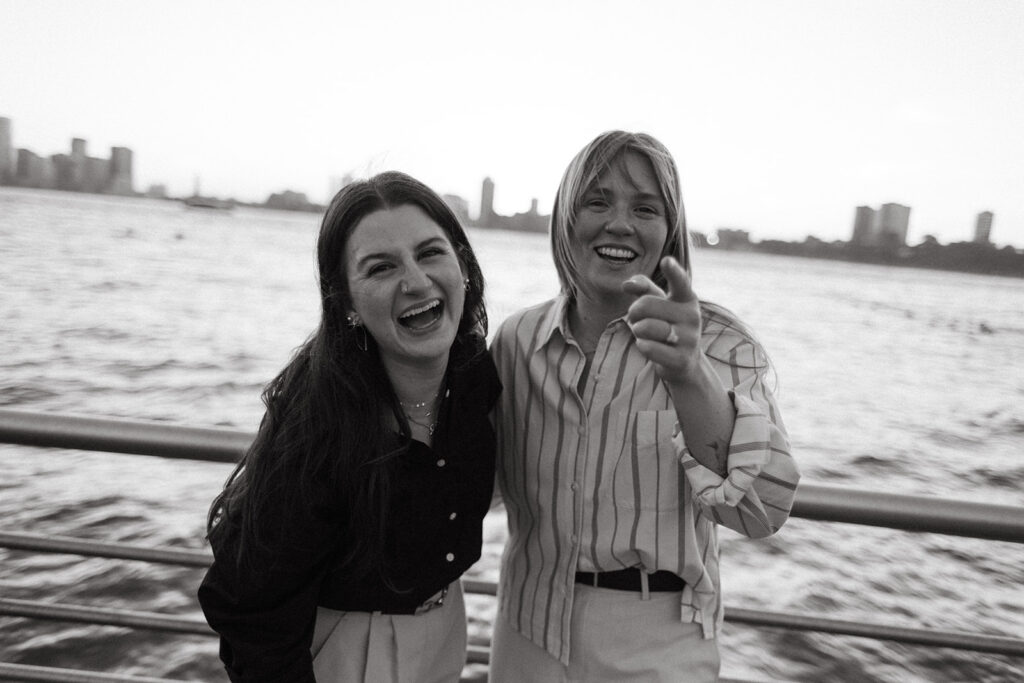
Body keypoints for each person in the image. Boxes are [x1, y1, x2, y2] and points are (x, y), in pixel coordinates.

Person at [487, 131, 800, 682]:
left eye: (645, 208)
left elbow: (762, 510)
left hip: (657, 644)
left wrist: (688, 373)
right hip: (526, 629)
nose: (620, 223)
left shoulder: (722, 344)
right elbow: (467, 486)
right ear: (566, 217)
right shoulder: (516, 341)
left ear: (669, 232)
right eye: (597, 201)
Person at [198, 171, 501, 683]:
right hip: (344, 653)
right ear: (347, 303)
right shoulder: (321, 421)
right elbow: (246, 603)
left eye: (430, 253)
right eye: (381, 267)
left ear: (463, 266)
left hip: (446, 631)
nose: (416, 281)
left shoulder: (477, 377)